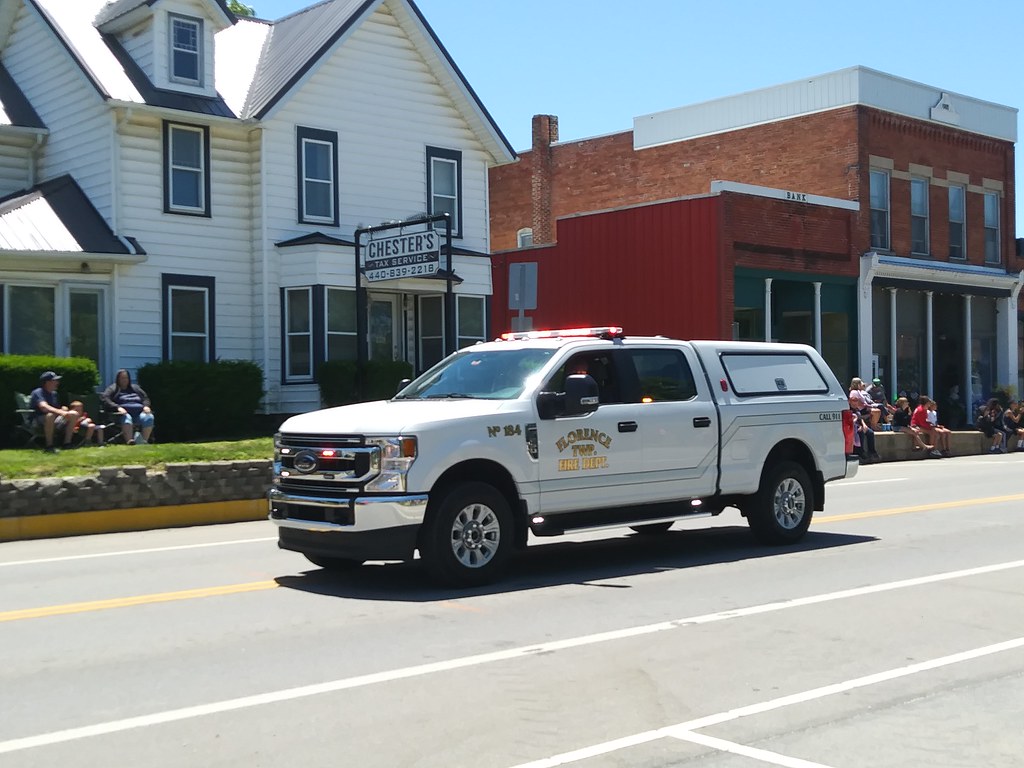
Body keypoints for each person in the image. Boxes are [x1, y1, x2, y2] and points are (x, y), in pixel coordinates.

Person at [101, 369, 155, 444]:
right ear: (118, 379)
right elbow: (105, 399)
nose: (124, 380)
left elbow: (145, 398)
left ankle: (143, 441)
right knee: (127, 417)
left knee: (149, 417)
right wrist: (117, 407)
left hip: (139, 413)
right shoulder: (113, 389)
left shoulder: (135, 388)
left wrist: (146, 406)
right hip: (123, 414)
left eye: (126, 378)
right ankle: (130, 441)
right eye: (122, 378)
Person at [29, 371, 74, 453]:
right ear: (47, 382)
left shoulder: (54, 394)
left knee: (73, 414)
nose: (57, 382)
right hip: (38, 421)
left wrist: (63, 409)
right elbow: (44, 407)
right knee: (50, 415)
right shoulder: (38, 392)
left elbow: (55, 408)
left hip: (54, 419)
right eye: (55, 380)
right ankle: (49, 446)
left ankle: (67, 443)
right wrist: (61, 412)